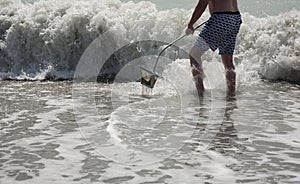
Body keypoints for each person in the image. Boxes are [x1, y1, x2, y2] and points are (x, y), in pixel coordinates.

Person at [186, 0, 242, 94]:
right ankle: (231, 94)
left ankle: (201, 92)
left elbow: (202, 5)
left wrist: (190, 25)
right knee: (228, 61)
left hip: (221, 18)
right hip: (235, 18)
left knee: (194, 55)